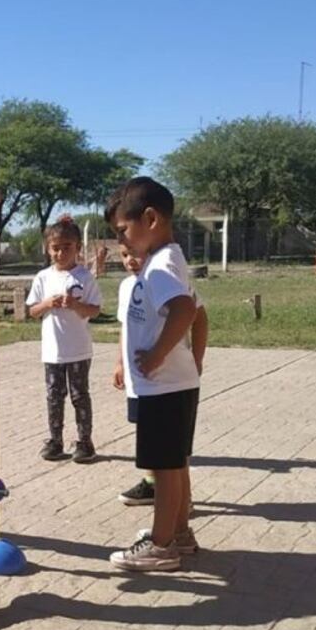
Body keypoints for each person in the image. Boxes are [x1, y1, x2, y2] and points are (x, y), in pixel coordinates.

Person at [105, 177, 200, 572]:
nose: (122, 243)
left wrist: (158, 354)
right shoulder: (168, 260)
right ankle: (178, 533)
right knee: (173, 465)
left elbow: (185, 311)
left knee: (163, 470)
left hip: (164, 386)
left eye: (124, 231)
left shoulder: (161, 266)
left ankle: (161, 547)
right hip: (175, 385)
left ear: (150, 218)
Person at [115, 244, 208, 509]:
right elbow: (127, 327)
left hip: (167, 384)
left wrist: (197, 359)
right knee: (153, 444)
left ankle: (181, 506)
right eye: (123, 255)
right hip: (141, 384)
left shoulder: (165, 278)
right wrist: (120, 362)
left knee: (175, 453)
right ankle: (152, 485)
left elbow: (197, 316)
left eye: (135, 252)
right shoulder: (127, 286)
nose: (130, 260)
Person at [26, 215, 102, 463]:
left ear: (78, 248)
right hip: (52, 351)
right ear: (48, 249)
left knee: (80, 395)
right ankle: (55, 440)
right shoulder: (43, 278)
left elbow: (95, 310)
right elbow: (32, 311)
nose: (60, 253)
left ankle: (84, 441)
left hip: (78, 349)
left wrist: (76, 305)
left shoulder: (84, 277)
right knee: (54, 395)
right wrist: (47, 304)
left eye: (66, 248)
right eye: (55, 248)